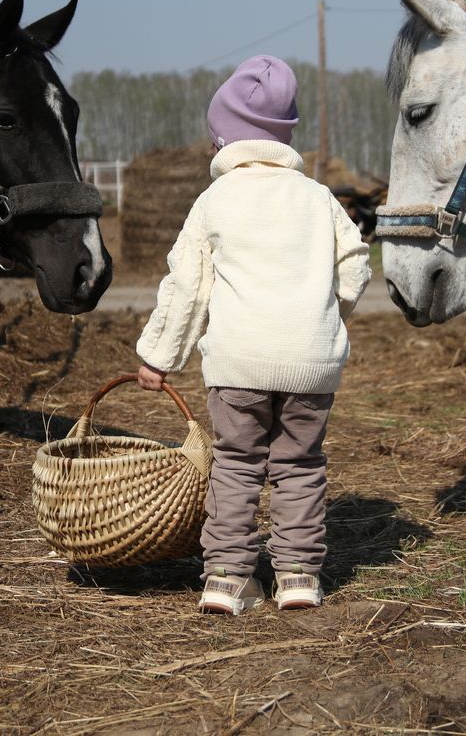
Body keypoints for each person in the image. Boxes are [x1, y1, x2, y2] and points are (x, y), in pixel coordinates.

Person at [136, 55, 371, 614]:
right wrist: (324, 315)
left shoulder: (215, 200)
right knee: (298, 464)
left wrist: (158, 356)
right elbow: (356, 267)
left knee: (236, 462)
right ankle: (297, 576)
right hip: (309, 364)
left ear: (224, 138)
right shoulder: (319, 198)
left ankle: (226, 578)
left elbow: (187, 286)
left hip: (237, 364)